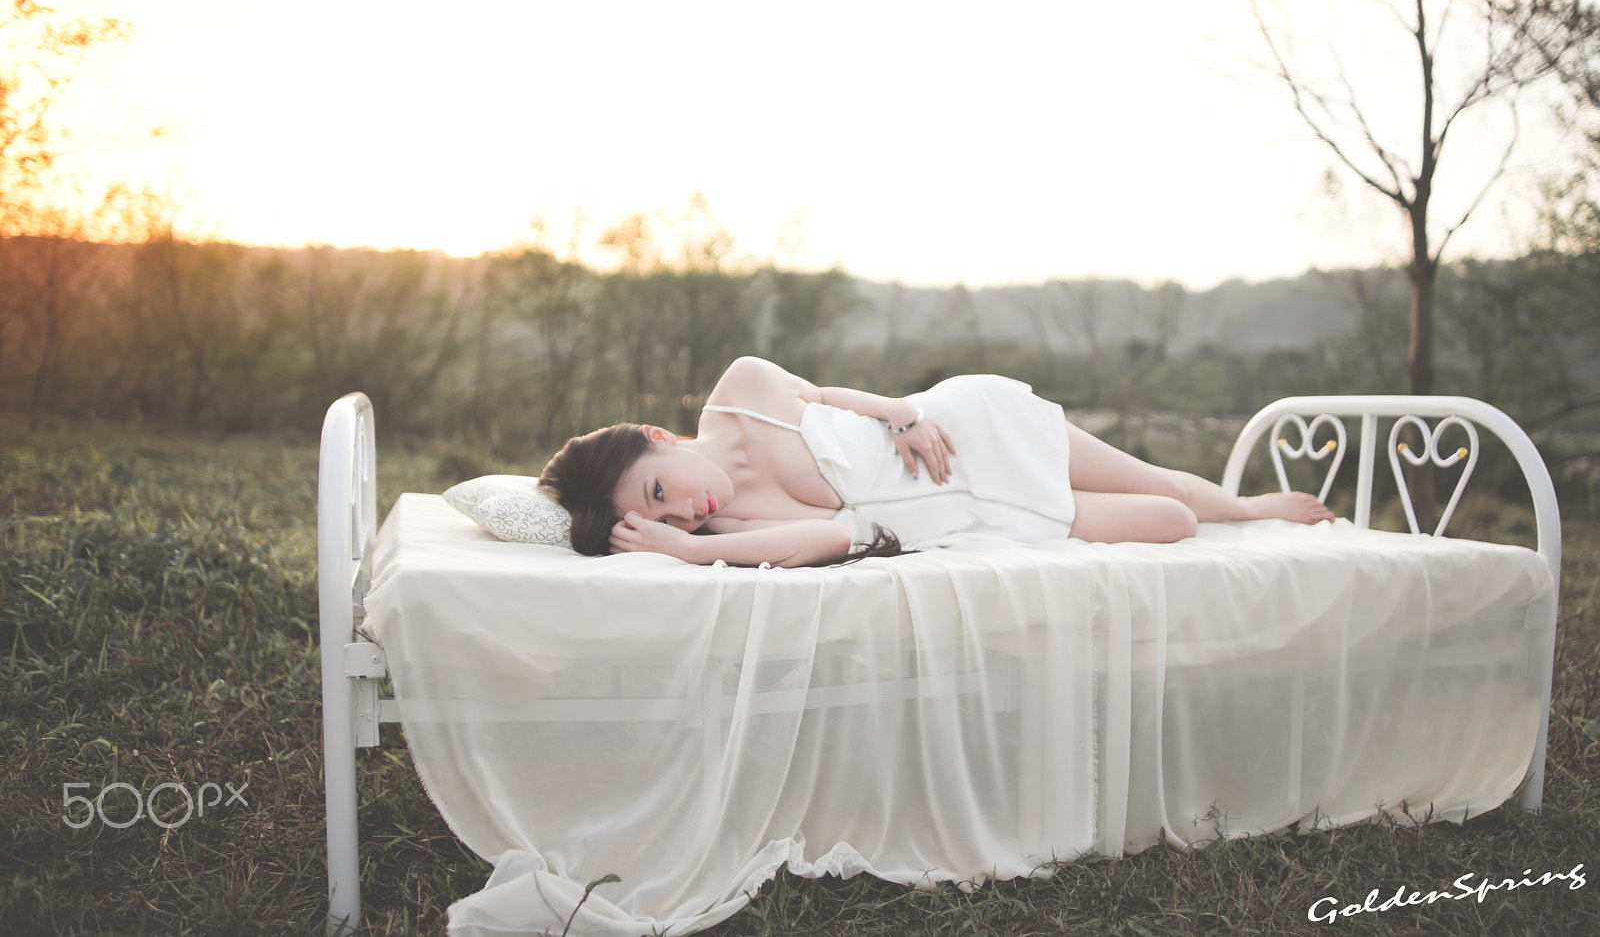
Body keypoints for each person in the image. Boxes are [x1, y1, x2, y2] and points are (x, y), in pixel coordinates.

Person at [538, 356, 1333, 566]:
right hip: (970, 513)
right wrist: (677, 546)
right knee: (1172, 522)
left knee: (1156, 483)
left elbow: (821, 392)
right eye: (664, 515)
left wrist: (902, 411)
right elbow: (833, 538)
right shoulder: (726, 529)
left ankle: (1257, 508)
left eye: (660, 489)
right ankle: (1229, 511)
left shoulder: (741, 391)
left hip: (966, 431)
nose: (685, 511)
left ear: (658, 437)